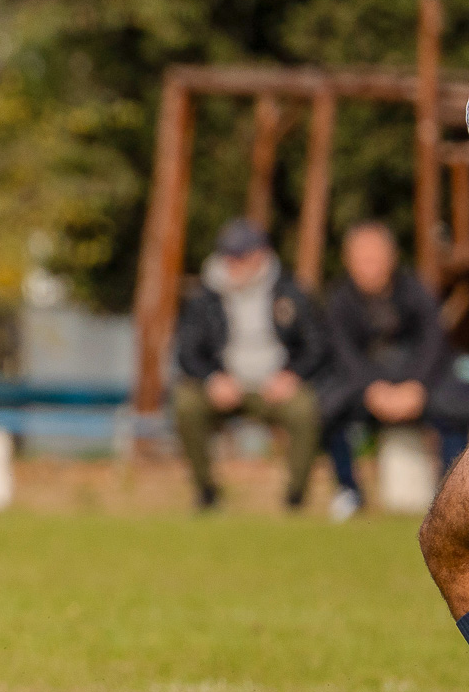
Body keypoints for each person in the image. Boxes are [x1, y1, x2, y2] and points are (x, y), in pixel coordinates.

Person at [171, 218, 327, 511]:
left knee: (305, 409)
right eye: (228, 255)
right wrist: (212, 378)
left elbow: (317, 346)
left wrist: (292, 375)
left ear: (261, 255)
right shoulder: (205, 297)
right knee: (186, 403)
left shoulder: (291, 291)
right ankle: (206, 492)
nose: (233, 263)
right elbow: (187, 352)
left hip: (274, 386)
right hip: (225, 384)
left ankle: (295, 499)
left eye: (240, 256)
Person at [320, 221, 469, 521]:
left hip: (419, 383)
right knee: (326, 406)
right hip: (365, 386)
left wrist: (417, 387)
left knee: (458, 406)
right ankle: (349, 491)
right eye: (362, 260)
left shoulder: (415, 291)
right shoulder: (338, 301)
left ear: (392, 258)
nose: (369, 267)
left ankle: (451, 497)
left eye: (375, 258)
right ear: (348, 261)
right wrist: (371, 388)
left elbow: (434, 343)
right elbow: (342, 353)